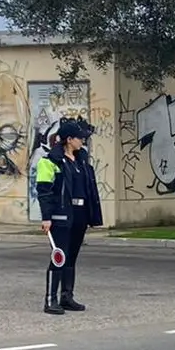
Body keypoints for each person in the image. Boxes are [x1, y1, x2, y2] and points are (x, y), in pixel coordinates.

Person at [36, 118, 104, 314]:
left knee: (71, 257)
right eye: (79, 138)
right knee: (59, 257)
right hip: (61, 216)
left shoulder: (81, 160)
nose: (83, 141)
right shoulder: (50, 162)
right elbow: (44, 191)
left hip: (80, 215)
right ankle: (51, 300)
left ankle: (67, 296)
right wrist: (47, 217)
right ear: (68, 139)